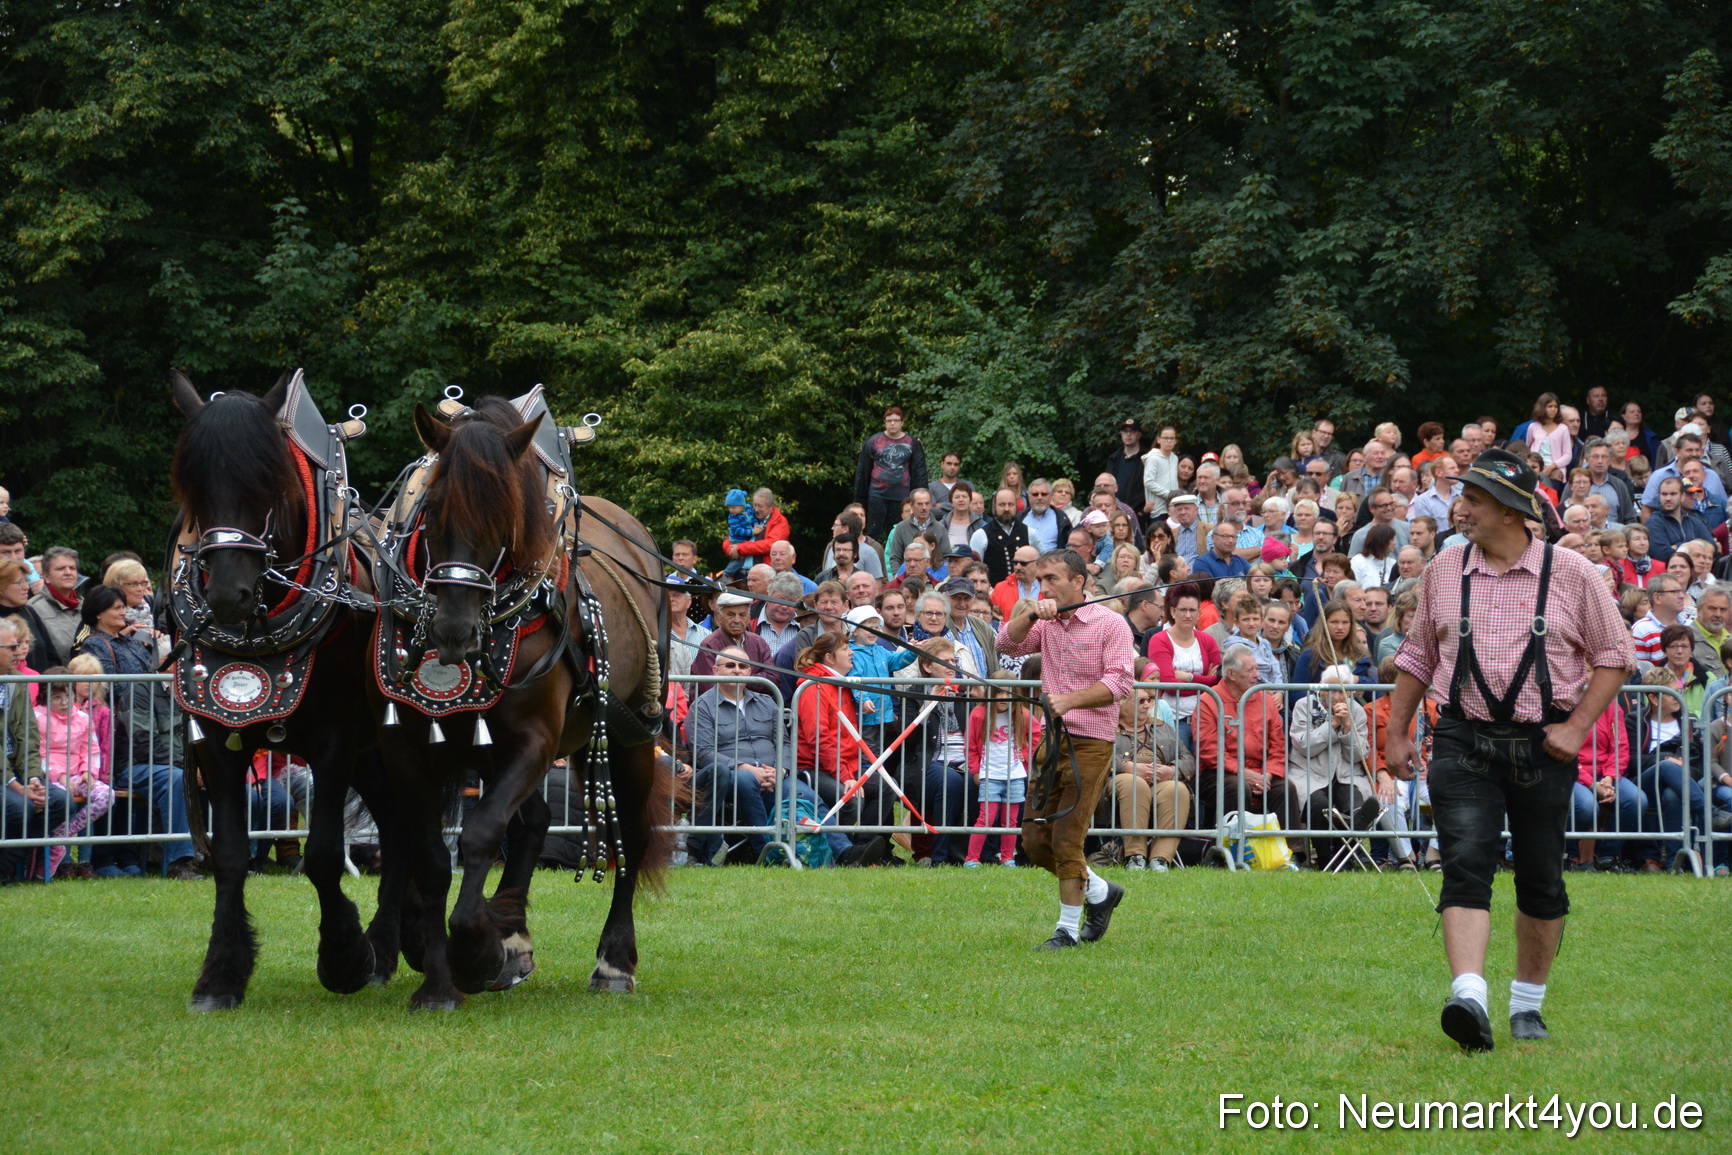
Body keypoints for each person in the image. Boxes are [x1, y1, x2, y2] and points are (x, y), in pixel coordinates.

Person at [1386, 448, 1634, 1052]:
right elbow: (1419, 656)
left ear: (1510, 510)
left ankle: (1528, 1004)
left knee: (1542, 878)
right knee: (1465, 864)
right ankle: (1469, 995)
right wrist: (1396, 731)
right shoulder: (1445, 569)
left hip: (1544, 744)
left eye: (1473, 499)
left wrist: (1576, 728)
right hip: (1462, 737)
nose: (1460, 507)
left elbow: (1616, 655)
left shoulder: (1572, 573)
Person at [996, 549, 1136, 950]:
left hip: (1092, 744)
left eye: (1052, 579)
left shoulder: (1111, 625)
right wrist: (1032, 614)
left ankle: (1067, 931)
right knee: (1033, 842)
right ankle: (1100, 891)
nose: (1044, 587)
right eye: (1040, 579)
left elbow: (1120, 683)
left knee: (1066, 838)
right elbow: (1008, 643)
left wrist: (1070, 700)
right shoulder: (1047, 622)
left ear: (1078, 582)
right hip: (1051, 741)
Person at [77, 585, 203, 879]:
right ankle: (180, 862)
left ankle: (225, 855)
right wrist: (188, 766)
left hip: (154, 749)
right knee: (176, 778)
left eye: (125, 606)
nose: (125, 612)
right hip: (128, 751)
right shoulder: (103, 650)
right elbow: (143, 740)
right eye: (117, 608)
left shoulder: (138, 648)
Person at [793, 631, 892, 866]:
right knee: (850, 798)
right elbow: (819, 738)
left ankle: (861, 847)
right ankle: (843, 853)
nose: (851, 653)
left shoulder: (840, 683)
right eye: (846, 648)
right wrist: (846, 775)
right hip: (815, 766)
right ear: (829, 657)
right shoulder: (814, 687)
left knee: (886, 789)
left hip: (844, 764)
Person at [1108, 669, 1195, 870]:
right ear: (1122, 705)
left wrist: (1172, 771)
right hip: (1118, 786)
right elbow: (1097, 756)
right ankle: (1135, 856)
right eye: (1140, 701)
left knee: (1177, 788)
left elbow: (1188, 758)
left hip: (1159, 783)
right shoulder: (1109, 727)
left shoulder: (1162, 727)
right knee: (1134, 783)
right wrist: (1127, 766)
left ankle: (1160, 858)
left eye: (1149, 700)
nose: (1147, 705)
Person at [1194, 646, 1287, 822]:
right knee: (1239, 787)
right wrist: (1243, 772)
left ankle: (1292, 849)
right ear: (1231, 674)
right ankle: (1234, 846)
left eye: (1257, 668)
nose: (1257, 675)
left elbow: (1278, 746)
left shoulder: (1266, 700)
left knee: (1285, 789)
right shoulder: (1208, 701)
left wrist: (1268, 774)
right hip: (1217, 773)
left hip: (1260, 772)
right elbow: (1210, 752)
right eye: (1250, 670)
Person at [34, 670, 113, 878]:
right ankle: (61, 861)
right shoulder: (38, 718)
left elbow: (91, 748)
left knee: (107, 795)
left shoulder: (83, 718)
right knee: (64, 798)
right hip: (50, 777)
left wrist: (89, 771)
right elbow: (38, 752)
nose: (63, 702)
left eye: (67, 696)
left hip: (78, 774)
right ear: (45, 697)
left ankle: (65, 833)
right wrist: (58, 775)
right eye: (56, 697)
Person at [964, 671, 1040, 867]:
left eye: (1009, 693)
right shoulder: (979, 714)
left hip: (1014, 776)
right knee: (986, 818)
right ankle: (972, 858)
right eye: (999, 693)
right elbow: (970, 746)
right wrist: (975, 771)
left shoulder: (1022, 715)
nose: (1004, 698)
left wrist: (1026, 752)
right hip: (990, 775)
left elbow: (1036, 734)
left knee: (1011, 821)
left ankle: (1007, 858)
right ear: (991, 693)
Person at [854, 406, 929, 541]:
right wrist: (859, 499)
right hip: (877, 494)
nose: (892, 423)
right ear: (884, 422)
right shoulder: (873, 441)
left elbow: (919, 472)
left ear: (902, 422)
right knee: (873, 532)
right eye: (889, 421)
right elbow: (863, 472)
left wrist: (920, 496)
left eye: (896, 420)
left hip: (902, 497)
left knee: (898, 533)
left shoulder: (912, 442)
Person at [690, 591, 774, 678]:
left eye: (742, 615)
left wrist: (739, 681)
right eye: (731, 615)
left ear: (749, 617)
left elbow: (772, 677)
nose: (737, 620)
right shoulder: (709, 645)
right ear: (719, 617)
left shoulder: (758, 642)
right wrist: (755, 678)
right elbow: (710, 684)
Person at [27, 545, 82, 668]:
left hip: (88, 684)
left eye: (72, 568)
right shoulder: (32, 609)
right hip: (55, 683)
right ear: (46, 576)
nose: (68, 572)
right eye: (61, 568)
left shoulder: (88, 606)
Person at [0, 559, 51, 673]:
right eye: (20, 582)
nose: (26, 587)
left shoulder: (29, 612)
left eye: (26, 581)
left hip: (41, 688)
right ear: (2, 585)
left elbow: (51, 656)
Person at [1142, 424, 1181, 518]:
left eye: (1172, 438)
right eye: (1165, 438)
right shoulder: (1153, 458)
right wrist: (1168, 494)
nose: (1169, 441)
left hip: (1173, 508)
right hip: (1158, 509)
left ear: (1175, 441)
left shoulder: (1174, 458)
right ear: (1158, 440)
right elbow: (1148, 482)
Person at [719, 488, 758, 578]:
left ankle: (726, 572)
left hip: (745, 538)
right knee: (740, 559)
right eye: (729, 507)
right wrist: (752, 532)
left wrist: (755, 525)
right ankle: (726, 574)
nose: (731, 510)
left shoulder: (748, 508)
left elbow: (753, 518)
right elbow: (738, 531)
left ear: (741, 505)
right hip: (737, 540)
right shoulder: (732, 517)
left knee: (735, 559)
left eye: (733, 507)